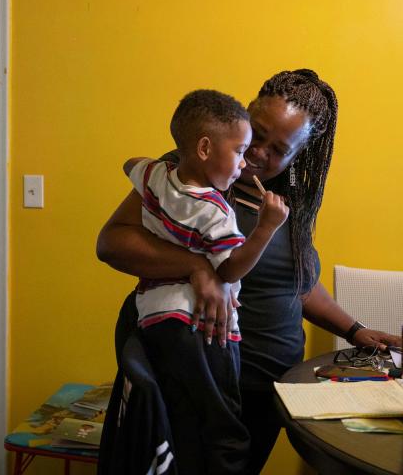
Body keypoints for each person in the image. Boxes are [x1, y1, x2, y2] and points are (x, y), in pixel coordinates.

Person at [97, 69, 402, 474]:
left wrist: (353, 329)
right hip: (201, 382)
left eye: (279, 149)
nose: (258, 153)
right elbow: (112, 241)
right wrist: (195, 267)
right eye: (256, 134)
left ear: (296, 159)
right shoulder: (191, 174)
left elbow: (298, 286)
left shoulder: (286, 204)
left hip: (270, 390)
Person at [121, 89, 289, 473]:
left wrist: (158, 167)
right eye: (242, 150)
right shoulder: (216, 211)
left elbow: (129, 163)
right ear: (204, 148)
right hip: (201, 329)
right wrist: (266, 227)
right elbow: (229, 270)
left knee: (182, 420)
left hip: (155, 320)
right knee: (222, 423)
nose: (247, 163)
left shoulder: (156, 175)